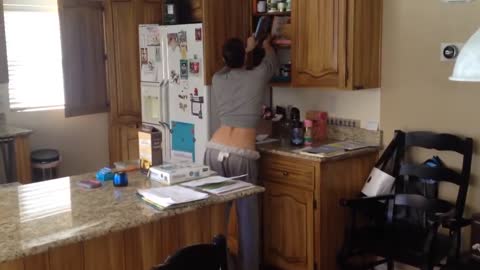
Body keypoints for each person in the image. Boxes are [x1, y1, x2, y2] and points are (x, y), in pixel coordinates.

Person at [204, 35, 278, 270]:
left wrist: (244, 51)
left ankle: (219, 265)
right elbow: (271, 63)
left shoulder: (218, 78)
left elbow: (230, 68)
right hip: (241, 156)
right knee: (247, 220)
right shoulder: (256, 76)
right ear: (244, 54)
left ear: (224, 58)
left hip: (214, 151)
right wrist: (264, 46)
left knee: (218, 217)